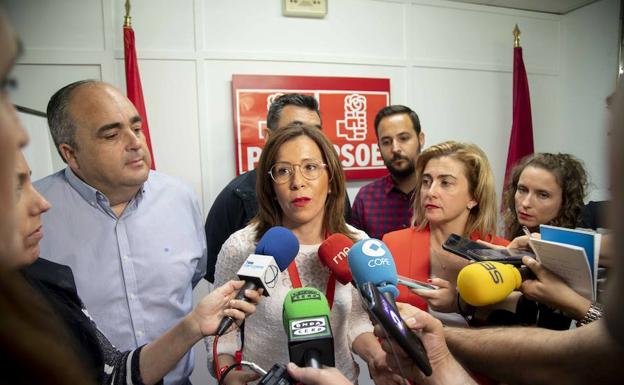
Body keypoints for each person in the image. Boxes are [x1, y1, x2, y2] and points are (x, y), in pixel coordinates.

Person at [13, 145, 261, 384]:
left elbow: (112, 374)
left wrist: (194, 324)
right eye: (15, 188)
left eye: (136, 127)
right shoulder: (27, 286)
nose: (41, 203)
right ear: (70, 153)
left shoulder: (50, 278)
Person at [34, 80, 207, 384]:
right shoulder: (33, 212)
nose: (135, 142)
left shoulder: (181, 198)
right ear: (70, 154)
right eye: (112, 135)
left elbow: (189, 279)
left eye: (136, 128)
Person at [210, 123, 401, 385]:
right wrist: (226, 372)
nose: (297, 182)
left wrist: (376, 357)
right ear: (271, 187)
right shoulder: (243, 246)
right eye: (283, 171)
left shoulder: (356, 245)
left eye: (310, 167)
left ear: (331, 180)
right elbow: (221, 330)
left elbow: (357, 324)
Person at [204, 93, 351, 283]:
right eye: (283, 171)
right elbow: (216, 275)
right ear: (269, 137)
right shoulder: (236, 198)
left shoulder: (355, 241)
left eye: (314, 131)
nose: (298, 182)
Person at [382, 141, 507, 315]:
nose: (430, 192)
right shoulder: (393, 244)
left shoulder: (502, 253)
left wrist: (461, 304)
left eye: (445, 183)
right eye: (426, 182)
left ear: (474, 197)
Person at [350, 105, 425, 240]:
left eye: (403, 138)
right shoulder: (365, 199)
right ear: (379, 147)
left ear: (420, 139)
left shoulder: (438, 193)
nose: (395, 148)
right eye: (386, 142)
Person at [503, 152, 588, 239]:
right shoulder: (516, 231)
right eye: (522, 190)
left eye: (543, 195)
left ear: (565, 202)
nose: (525, 203)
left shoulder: (577, 245)